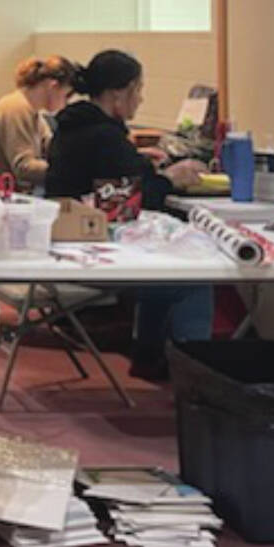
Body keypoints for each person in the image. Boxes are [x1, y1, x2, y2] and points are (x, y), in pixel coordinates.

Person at [44, 49, 210, 382]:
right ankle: (195, 376)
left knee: (167, 271)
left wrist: (138, 160)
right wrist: (170, 179)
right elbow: (129, 203)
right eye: (138, 89)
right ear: (118, 93)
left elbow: (110, 181)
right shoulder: (104, 137)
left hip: (68, 243)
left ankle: (149, 357)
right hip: (94, 253)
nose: (141, 98)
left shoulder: (74, 127)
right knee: (195, 278)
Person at [0, 55, 79, 188]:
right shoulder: (16, 108)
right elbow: (23, 167)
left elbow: (52, 149)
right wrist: (69, 171)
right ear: (53, 86)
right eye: (66, 95)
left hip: (7, 192)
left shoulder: (35, 114)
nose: (65, 103)